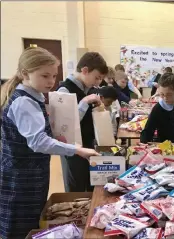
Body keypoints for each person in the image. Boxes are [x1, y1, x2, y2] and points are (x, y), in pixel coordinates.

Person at [0, 47, 100, 239]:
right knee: (20, 223)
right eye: (44, 76)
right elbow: (38, 141)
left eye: (54, 76)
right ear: (24, 74)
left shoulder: (34, 96)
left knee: (33, 217)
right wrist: (77, 150)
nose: (51, 81)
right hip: (21, 175)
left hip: (31, 171)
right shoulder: (24, 102)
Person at [57, 52, 108, 193]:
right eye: (96, 78)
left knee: (91, 185)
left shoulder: (89, 89)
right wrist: (84, 103)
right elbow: (64, 127)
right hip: (73, 151)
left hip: (89, 145)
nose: (98, 83)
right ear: (85, 71)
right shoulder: (64, 90)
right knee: (76, 189)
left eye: (101, 79)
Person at [141, 73, 174, 146]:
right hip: (166, 148)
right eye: (162, 94)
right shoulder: (158, 108)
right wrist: (143, 144)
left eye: (169, 94)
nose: (165, 98)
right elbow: (148, 130)